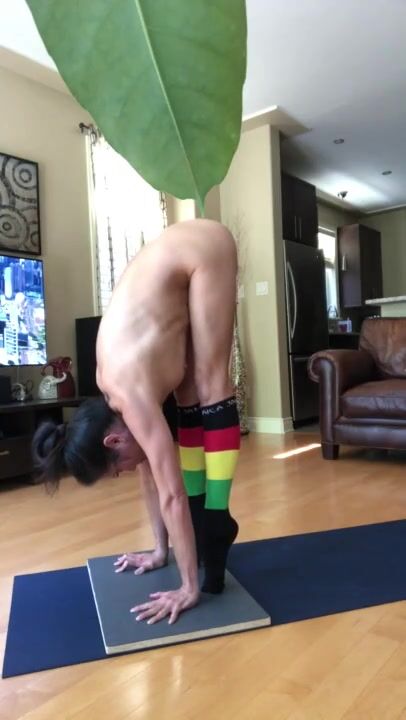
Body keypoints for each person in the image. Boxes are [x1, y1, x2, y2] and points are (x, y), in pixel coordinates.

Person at [33, 218, 241, 625]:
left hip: (202, 247)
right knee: (185, 393)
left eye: (117, 470)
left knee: (210, 382)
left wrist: (188, 588)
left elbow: (172, 494)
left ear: (112, 442)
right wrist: (159, 551)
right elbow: (149, 474)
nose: (125, 473)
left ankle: (216, 519)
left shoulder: (130, 396)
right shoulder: (112, 400)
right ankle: (205, 527)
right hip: (172, 268)